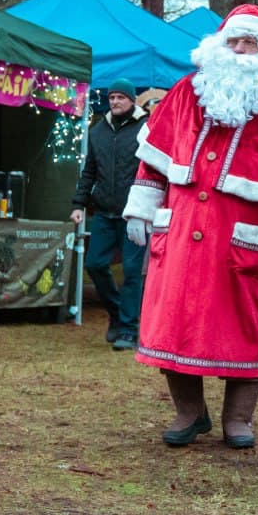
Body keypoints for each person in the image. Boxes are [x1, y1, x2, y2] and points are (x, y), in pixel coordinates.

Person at [122, 4, 258, 449]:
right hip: (178, 233)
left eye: (249, 42)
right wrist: (141, 207)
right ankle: (189, 412)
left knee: (241, 327)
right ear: (218, 46)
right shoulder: (184, 94)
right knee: (174, 325)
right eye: (233, 41)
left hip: (240, 241)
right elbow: (154, 161)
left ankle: (238, 419)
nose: (239, 51)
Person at [70, 79, 148, 351]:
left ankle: (128, 329)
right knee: (94, 264)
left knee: (131, 271)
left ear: (132, 100)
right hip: (104, 210)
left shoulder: (146, 128)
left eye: (120, 97)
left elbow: (154, 169)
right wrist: (78, 204)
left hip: (135, 213)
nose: (115, 101)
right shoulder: (98, 131)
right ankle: (117, 314)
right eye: (112, 97)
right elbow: (89, 171)